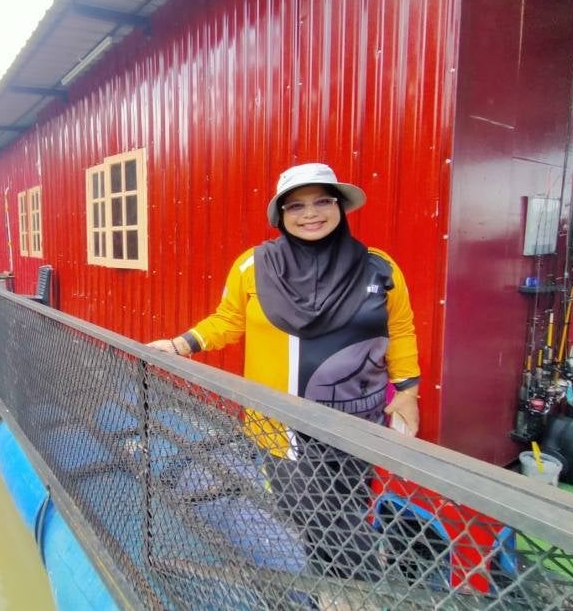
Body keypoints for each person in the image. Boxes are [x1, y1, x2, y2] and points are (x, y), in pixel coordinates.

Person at [148, 162, 421, 580]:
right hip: (282, 426)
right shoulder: (252, 266)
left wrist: (408, 390)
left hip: (359, 418)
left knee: (349, 503)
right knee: (314, 515)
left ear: (340, 207)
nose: (310, 214)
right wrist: (182, 343)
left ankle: (339, 588)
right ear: (281, 216)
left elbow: (399, 328)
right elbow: (227, 320)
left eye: (322, 201)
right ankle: (353, 593)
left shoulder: (379, 268)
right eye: (296, 206)